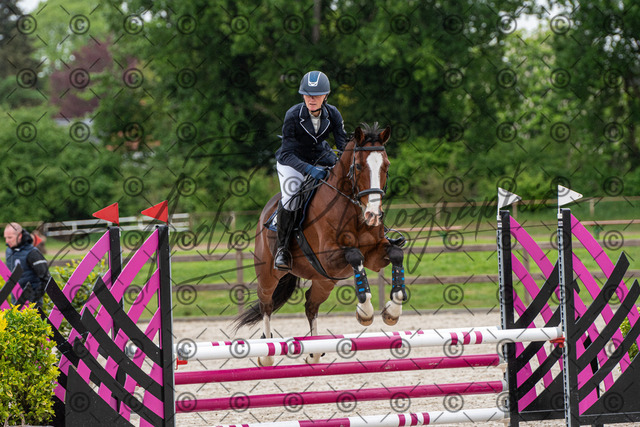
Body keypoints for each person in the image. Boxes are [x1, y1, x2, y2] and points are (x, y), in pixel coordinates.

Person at [274, 70, 347, 271]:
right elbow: (286, 153)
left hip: (321, 157)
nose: (311, 99)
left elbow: (342, 146)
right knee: (291, 198)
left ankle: (378, 231)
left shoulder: (333, 114)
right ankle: (282, 249)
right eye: (307, 95)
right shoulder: (292, 115)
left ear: (326, 96)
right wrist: (309, 169)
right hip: (292, 161)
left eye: (316, 95)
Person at [4, 223, 51, 308]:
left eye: (10, 237)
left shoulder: (33, 253)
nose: (7, 241)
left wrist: (34, 299)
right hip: (15, 303)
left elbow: (46, 278)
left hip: (31, 305)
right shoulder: (8, 251)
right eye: (5, 238)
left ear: (19, 236)